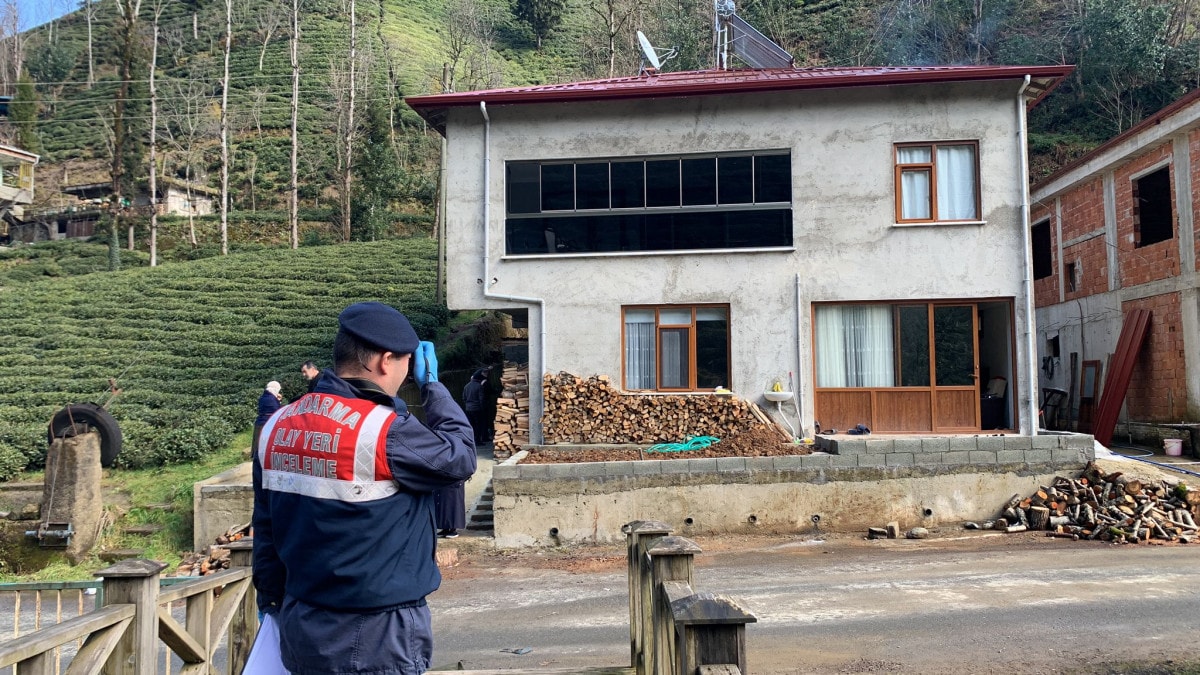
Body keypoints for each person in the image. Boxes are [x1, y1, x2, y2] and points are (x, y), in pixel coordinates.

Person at [253, 302, 477, 675]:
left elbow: (265, 524)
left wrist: (271, 599)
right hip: (377, 635)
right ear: (386, 361)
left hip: (299, 623)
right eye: (407, 365)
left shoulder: (278, 424)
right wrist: (433, 387)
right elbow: (460, 457)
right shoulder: (384, 430)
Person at [251, 381, 283, 458]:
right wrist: (278, 401)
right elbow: (277, 410)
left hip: (260, 422)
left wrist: (278, 400)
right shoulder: (270, 399)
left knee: (258, 444)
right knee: (264, 445)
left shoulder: (264, 397)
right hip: (267, 423)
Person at [462, 367, 489, 444]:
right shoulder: (479, 386)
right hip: (477, 409)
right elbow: (481, 399)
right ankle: (478, 440)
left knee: (472, 425)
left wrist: (467, 405)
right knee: (479, 425)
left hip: (468, 408)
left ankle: (472, 440)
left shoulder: (466, 386)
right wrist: (482, 408)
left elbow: (464, 398)